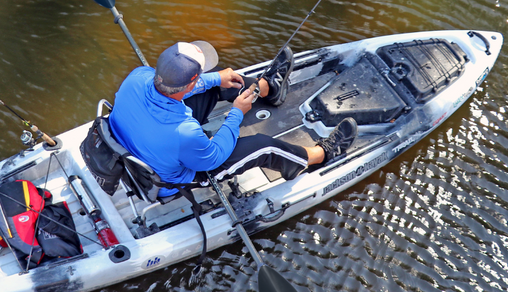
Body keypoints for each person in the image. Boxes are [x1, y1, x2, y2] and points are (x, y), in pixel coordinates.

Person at [109, 40, 357, 193]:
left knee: (218, 83)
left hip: (144, 143)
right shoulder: (185, 132)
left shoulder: (138, 76)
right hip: (180, 176)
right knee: (263, 146)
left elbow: (177, 88)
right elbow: (212, 158)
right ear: (189, 81)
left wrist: (215, 78)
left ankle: (269, 88)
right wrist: (237, 113)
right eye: (198, 76)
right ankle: (319, 155)